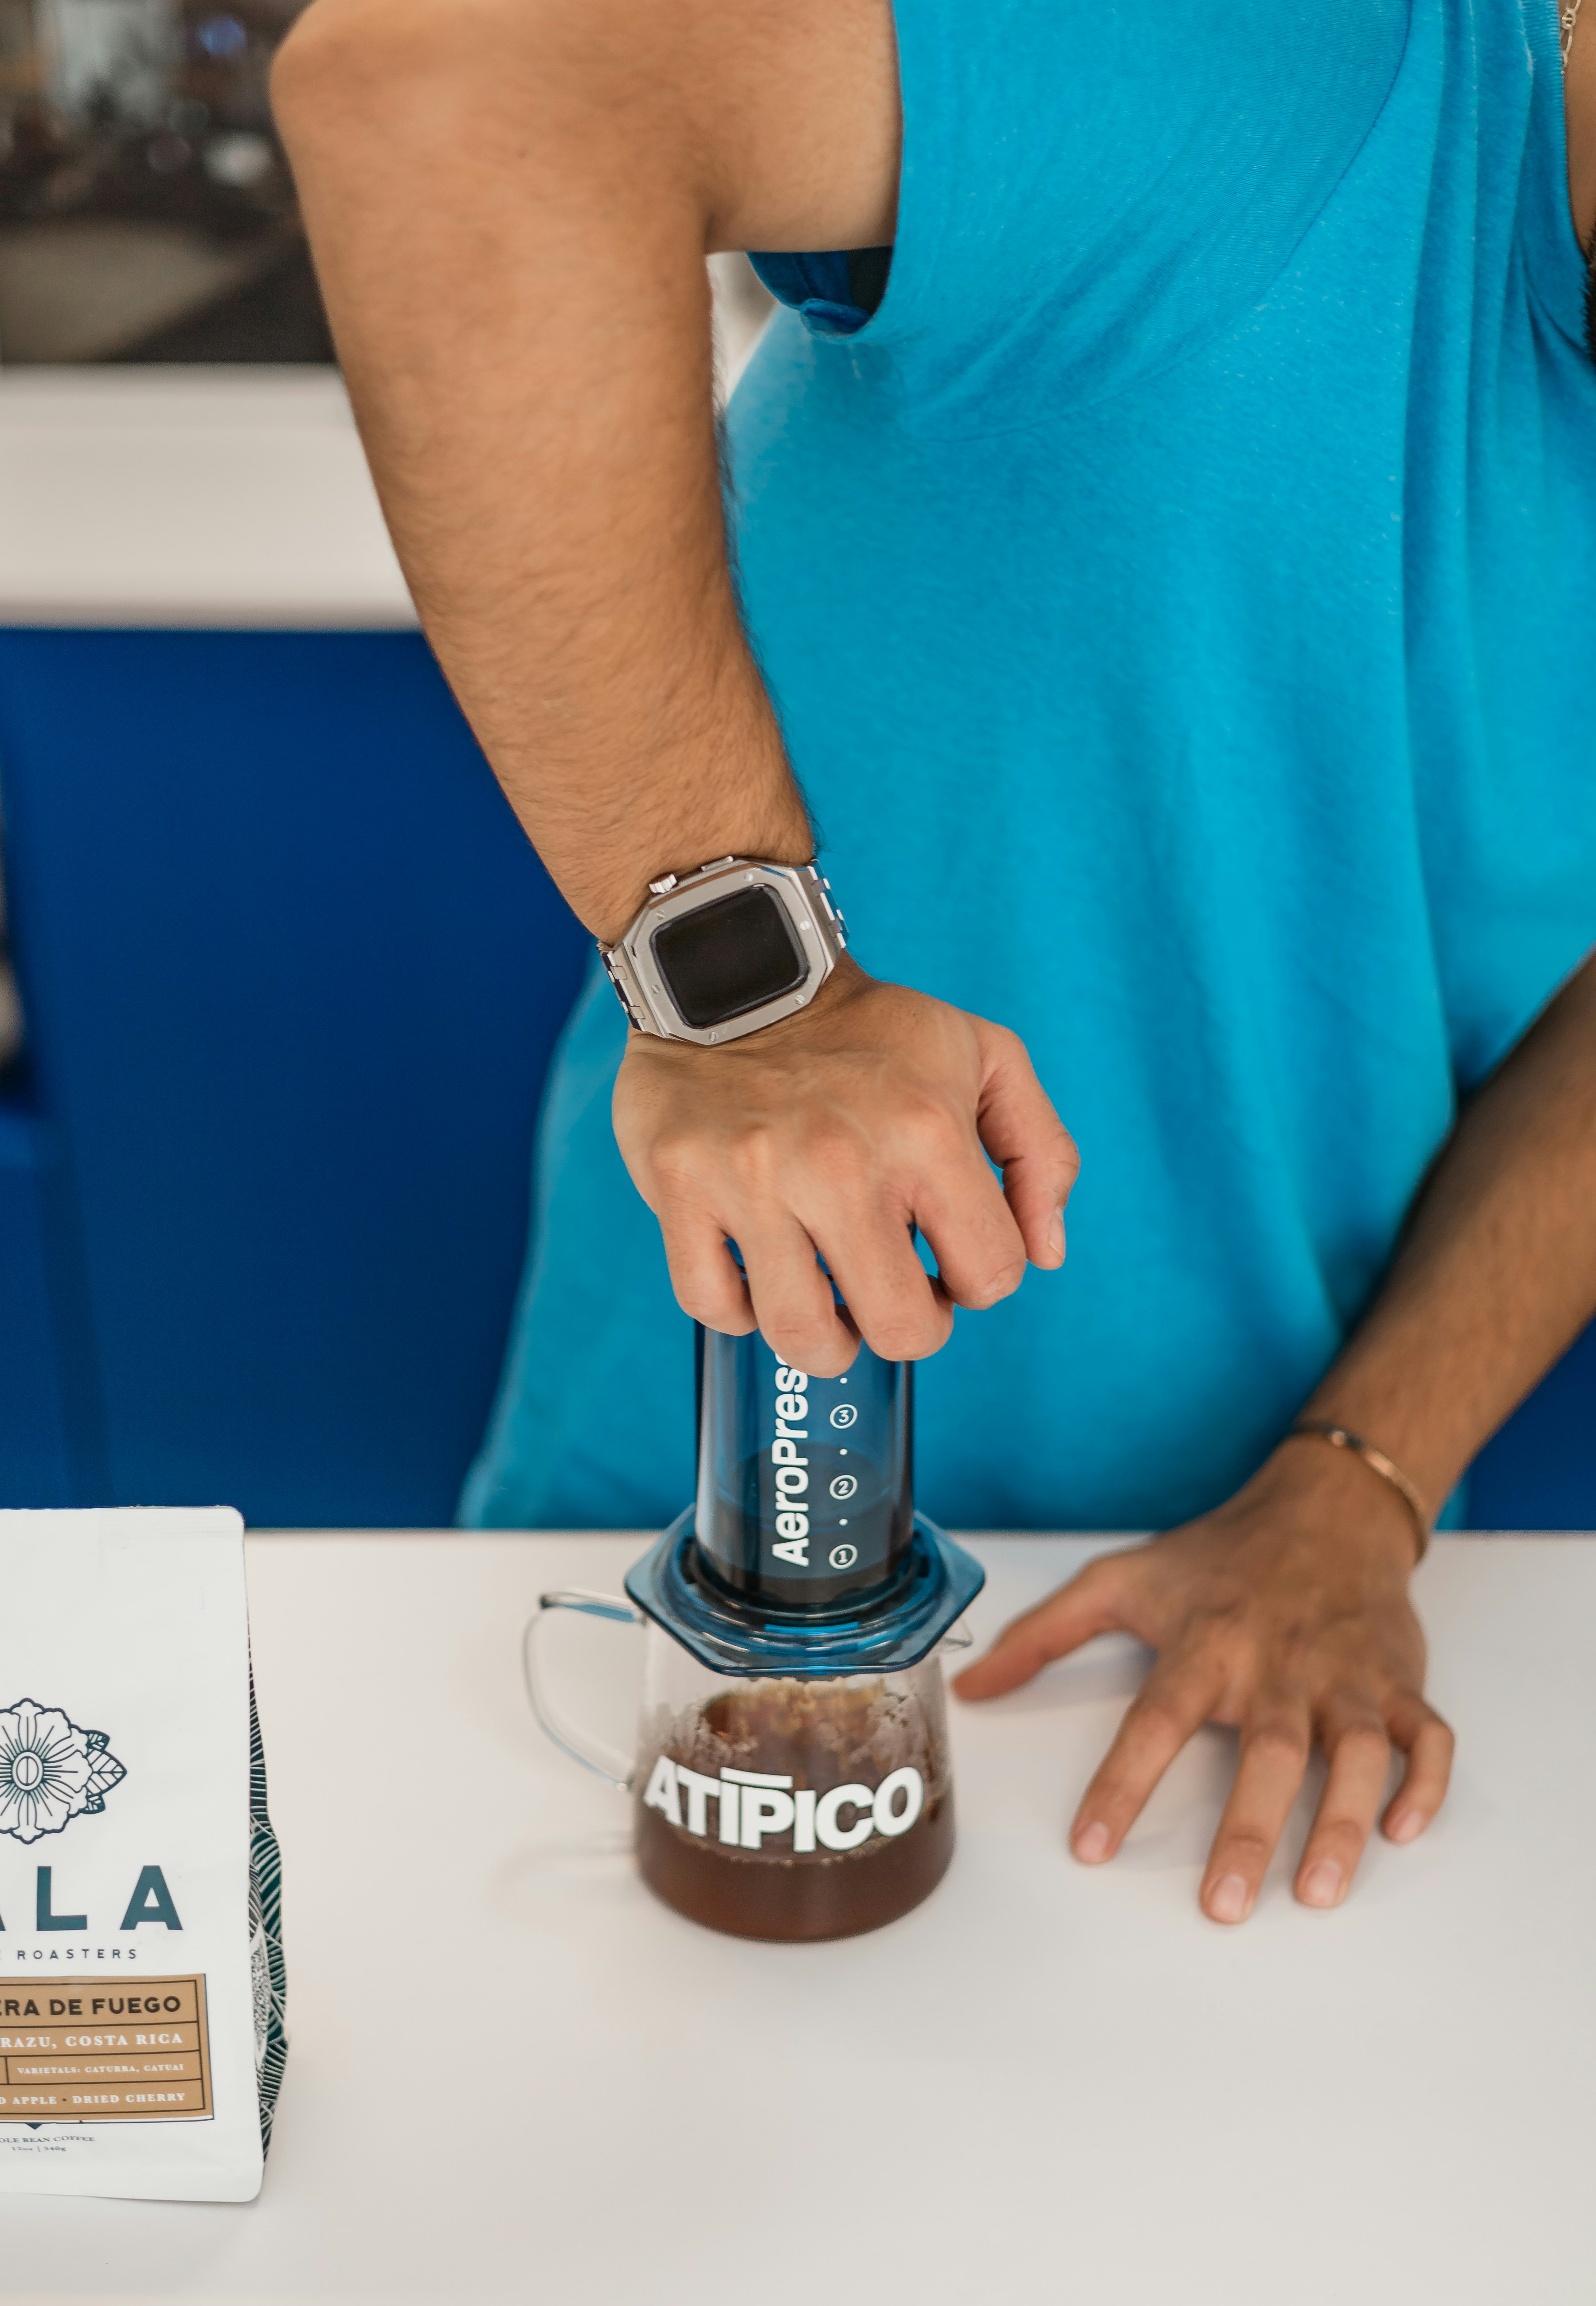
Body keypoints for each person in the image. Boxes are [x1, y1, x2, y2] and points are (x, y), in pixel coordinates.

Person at [273, 0, 1596, 1924]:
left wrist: (1364, 1469)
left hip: (1240, 1611)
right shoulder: (1285, 72)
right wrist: (750, 1006)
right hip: (715, 1547)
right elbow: (443, 88)